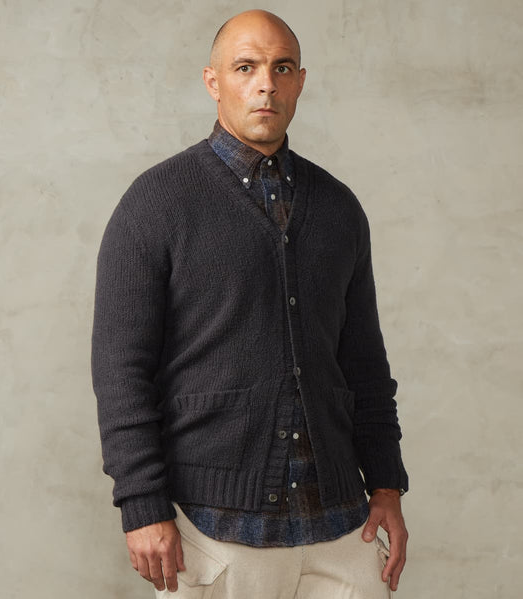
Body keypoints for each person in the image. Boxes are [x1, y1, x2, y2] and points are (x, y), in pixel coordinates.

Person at [91, 9, 409, 598]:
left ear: (300, 81)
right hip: (214, 526)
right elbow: (120, 371)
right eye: (246, 67)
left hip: (341, 526)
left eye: (281, 68)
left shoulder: (338, 208)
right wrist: (141, 504)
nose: (266, 84)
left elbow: (364, 362)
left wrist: (386, 484)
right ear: (213, 81)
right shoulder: (156, 202)